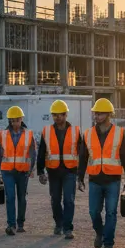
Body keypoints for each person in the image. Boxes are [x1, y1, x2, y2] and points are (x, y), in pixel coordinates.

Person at [77, 98, 125, 248]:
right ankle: (100, 233)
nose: (96, 116)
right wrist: (80, 178)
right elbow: (83, 157)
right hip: (95, 179)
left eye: (100, 113)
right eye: (95, 113)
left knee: (111, 212)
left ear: (109, 115)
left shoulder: (119, 133)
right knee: (93, 212)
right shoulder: (88, 134)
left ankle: (108, 243)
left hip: (113, 180)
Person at [37, 99, 81, 239]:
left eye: (60, 114)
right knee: (55, 199)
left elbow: (82, 153)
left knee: (69, 200)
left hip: (70, 171)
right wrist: (40, 171)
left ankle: (68, 228)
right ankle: (59, 224)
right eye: (55, 115)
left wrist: (81, 173)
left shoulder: (75, 131)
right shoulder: (47, 131)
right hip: (53, 171)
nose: (57, 117)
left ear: (66, 114)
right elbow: (41, 152)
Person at [0, 106, 35, 235]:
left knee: (22, 198)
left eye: (17, 120)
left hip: (23, 171)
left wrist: (31, 169)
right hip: (7, 171)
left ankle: (20, 223)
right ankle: (11, 225)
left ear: (21, 119)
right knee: (10, 197)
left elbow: (33, 153)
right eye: (12, 121)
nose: (14, 123)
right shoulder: (3, 134)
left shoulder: (29, 134)